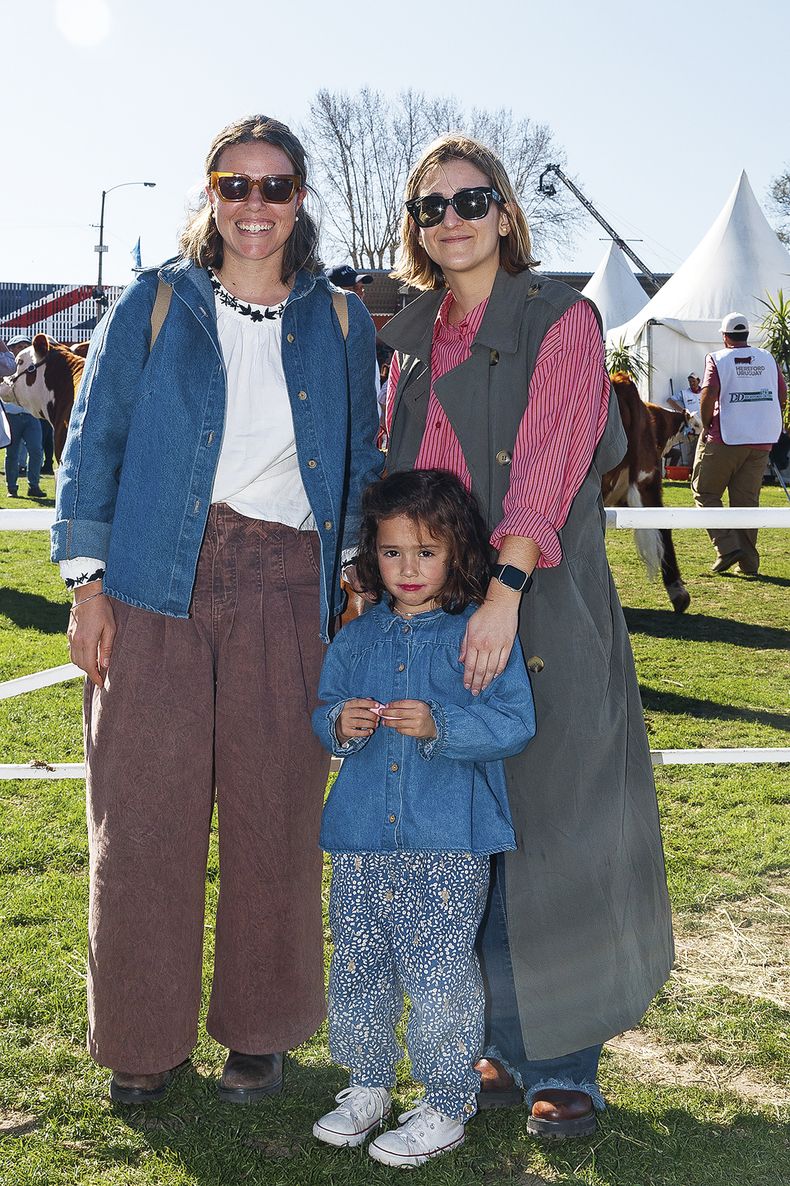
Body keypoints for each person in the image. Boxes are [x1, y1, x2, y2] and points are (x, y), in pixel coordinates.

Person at [51, 115, 381, 1106]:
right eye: (233, 186)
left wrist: (355, 571)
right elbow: (94, 439)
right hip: (156, 580)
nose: (253, 206)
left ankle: (261, 1029)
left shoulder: (338, 319)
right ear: (209, 194)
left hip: (288, 587)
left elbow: (361, 459)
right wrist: (86, 581)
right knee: (143, 818)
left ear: (300, 200)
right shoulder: (154, 303)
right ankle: (142, 1045)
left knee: (276, 814)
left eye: (274, 187)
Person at [378, 134, 674, 1140]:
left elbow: (548, 465)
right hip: (440, 617)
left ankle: (565, 1061)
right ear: (414, 228)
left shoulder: (565, 320)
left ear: (505, 212)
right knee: (475, 847)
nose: (451, 218)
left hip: (536, 610)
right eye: (431, 206)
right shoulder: (411, 340)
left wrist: (502, 594)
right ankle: (498, 1041)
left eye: (471, 199)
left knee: (556, 832)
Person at [312, 469, 535, 1166]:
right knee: (357, 964)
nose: (408, 569)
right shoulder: (354, 639)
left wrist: (444, 725)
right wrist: (339, 726)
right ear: (371, 555)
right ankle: (368, 1083)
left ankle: (444, 1101)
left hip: (448, 842)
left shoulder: (479, 635)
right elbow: (324, 713)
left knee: (440, 972)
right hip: (359, 842)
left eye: (426, 552)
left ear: (457, 553)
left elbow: (513, 723)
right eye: (391, 552)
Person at [692, 312, 786, 575]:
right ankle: (748, 564)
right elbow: (782, 394)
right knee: (746, 503)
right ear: (746, 335)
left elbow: (708, 393)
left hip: (725, 437)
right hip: (761, 440)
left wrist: (706, 423)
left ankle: (726, 546)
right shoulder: (767, 357)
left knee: (706, 492)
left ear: (724, 336)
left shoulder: (718, 358)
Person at [2, 338, 45, 498]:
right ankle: (11, 488)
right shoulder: (7, 368)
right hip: (12, 416)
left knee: (36, 451)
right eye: (19, 346)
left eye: (26, 346)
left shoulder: (35, 368)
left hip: (31, 415)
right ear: (12, 349)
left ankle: (33, 486)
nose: (23, 349)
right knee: (12, 453)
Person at [668, 372, 703, 466]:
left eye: (694, 381)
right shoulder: (684, 393)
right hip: (691, 427)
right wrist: (681, 410)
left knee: (703, 450)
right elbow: (670, 400)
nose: (692, 383)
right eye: (690, 381)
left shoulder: (704, 392)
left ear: (698, 381)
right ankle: (691, 470)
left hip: (704, 426)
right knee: (692, 450)